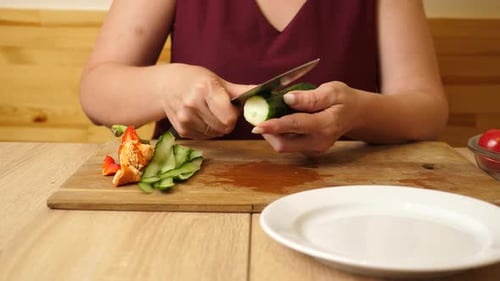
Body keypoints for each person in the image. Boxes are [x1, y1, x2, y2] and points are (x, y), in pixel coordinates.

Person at [79, 0, 448, 155]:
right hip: (190, 196)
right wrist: (166, 85)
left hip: (341, 196)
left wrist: (356, 113)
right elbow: (96, 93)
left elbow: (428, 110)